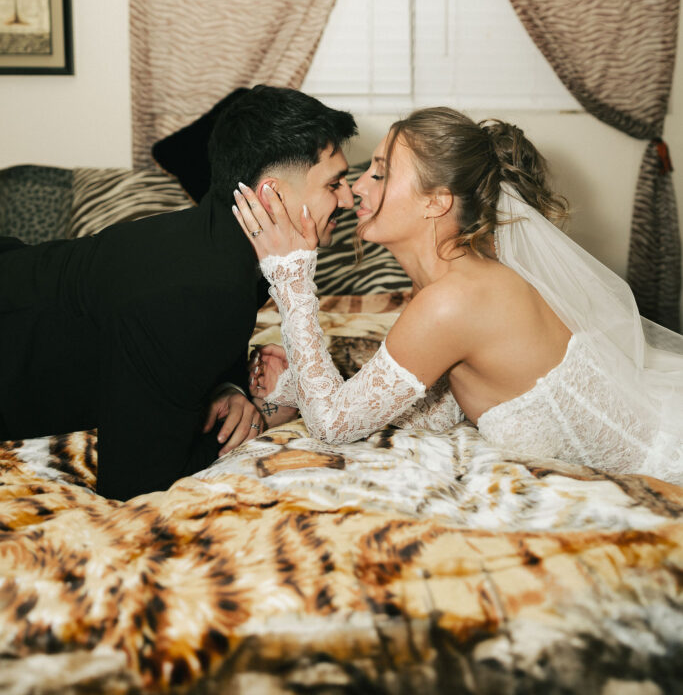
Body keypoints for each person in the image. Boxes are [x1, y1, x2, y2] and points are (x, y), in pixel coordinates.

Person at [236, 107, 683, 485]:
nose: (358, 187)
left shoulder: (455, 299)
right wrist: (304, 382)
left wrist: (291, 279)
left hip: (667, 467)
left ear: (437, 202)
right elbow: (437, 414)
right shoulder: (452, 285)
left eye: (381, 173)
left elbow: (331, 427)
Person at [0, 85, 356, 500]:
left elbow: (174, 353)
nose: (348, 198)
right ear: (271, 195)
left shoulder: (223, 241)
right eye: (335, 184)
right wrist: (264, 415)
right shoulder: (201, 291)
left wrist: (232, 387)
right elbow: (135, 485)